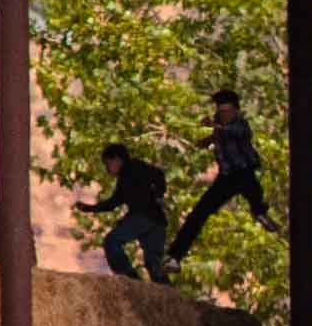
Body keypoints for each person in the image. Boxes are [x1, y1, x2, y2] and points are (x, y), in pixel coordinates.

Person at [164, 89, 280, 275]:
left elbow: (235, 132)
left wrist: (215, 128)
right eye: (222, 111)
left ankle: (260, 212)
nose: (224, 115)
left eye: (228, 112)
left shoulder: (241, 125)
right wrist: (206, 140)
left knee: (253, 190)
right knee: (198, 214)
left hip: (244, 172)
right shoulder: (218, 122)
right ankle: (175, 257)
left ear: (236, 111)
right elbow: (220, 134)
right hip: (226, 177)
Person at [76, 143, 171, 283]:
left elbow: (158, 174)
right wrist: (90, 208)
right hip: (157, 222)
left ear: (117, 160)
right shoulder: (125, 177)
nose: (107, 169)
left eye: (108, 164)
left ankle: (129, 280)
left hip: (143, 217)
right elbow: (113, 203)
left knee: (112, 241)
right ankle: (169, 296)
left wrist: (158, 194)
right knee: (153, 264)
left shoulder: (134, 167)